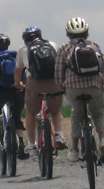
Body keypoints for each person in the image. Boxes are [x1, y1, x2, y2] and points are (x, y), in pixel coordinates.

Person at [54, 17, 104, 162]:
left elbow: (58, 71)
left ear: (68, 34)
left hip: (73, 88)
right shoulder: (94, 45)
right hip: (94, 85)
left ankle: (74, 149)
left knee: (76, 114)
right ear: (86, 32)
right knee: (98, 112)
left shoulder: (64, 48)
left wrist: (62, 87)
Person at [16, 26, 66, 157]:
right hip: (53, 81)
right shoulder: (53, 45)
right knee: (55, 110)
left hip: (34, 83)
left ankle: (32, 145)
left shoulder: (22, 50)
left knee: (31, 112)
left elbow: (18, 71)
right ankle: (58, 135)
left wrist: (18, 84)